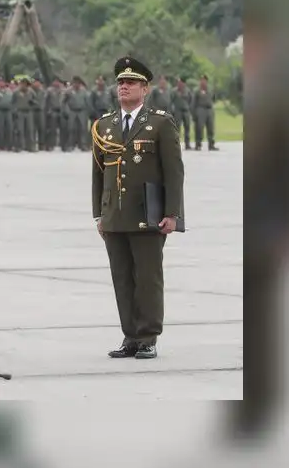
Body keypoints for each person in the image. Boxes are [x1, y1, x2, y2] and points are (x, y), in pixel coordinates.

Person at [91, 56, 185, 359]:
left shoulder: (159, 122)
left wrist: (172, 213)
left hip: (148, 215)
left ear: (145, 88)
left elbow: (174, 171)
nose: (124, 87)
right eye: (120, 82)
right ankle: (130, 336)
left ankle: (148, 337)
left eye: (130, 82)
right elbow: (98, 173)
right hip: (114, 215)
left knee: (147, 278)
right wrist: (99, 214)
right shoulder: (104, 126)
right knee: (122, 278)